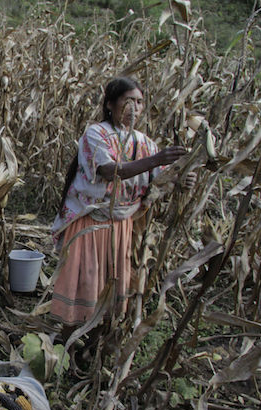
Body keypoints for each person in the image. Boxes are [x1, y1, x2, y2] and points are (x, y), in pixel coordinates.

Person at [51, 77, 196, 346]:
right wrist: (157, 160)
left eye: (140, 102)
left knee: (109, 289)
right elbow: (108, 171)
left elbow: (160, 181)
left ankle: (92, 347)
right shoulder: (96, 134)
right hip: (90, 223)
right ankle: (66, 345)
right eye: (128, 101)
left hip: (122, 226)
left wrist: (181, 180)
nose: (135, 108)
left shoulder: (145, 143)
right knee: (86, 284)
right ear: (110, 104)